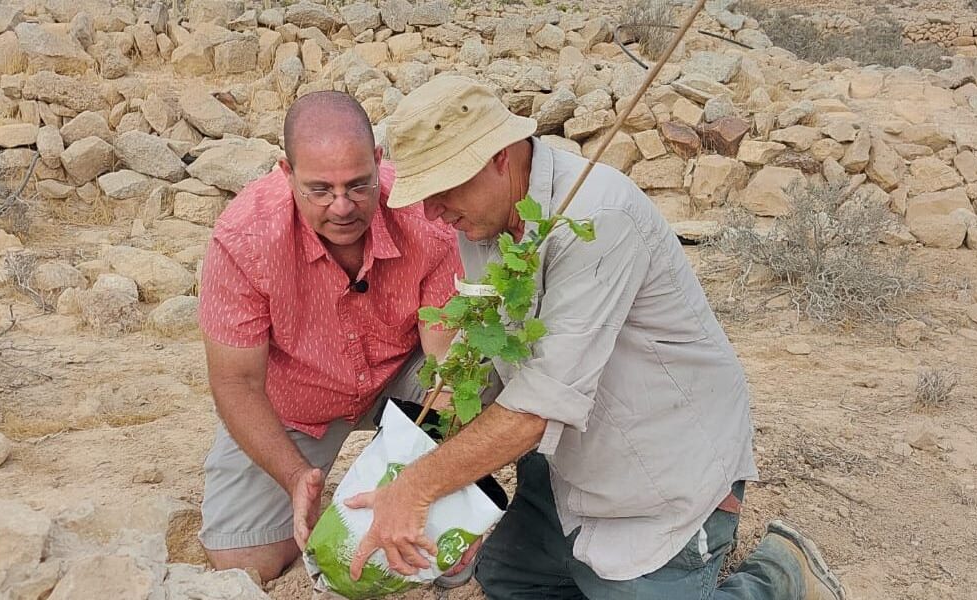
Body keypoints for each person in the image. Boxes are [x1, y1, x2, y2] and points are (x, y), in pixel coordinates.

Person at [341, 75, 848, 600]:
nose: (431, 212)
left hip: (665, 471)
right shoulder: (485, 222)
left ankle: (778, 576)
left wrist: (419, 487)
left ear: (499, 157)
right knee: (509, 579)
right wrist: (455, 493)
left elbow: (538, 407)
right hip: (574, 462)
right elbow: (494, 360)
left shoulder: (596, 217)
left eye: (443, 189)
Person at [195, 91, 464, 583]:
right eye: (319, 190)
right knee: (243, 563)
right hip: (295, 400)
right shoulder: (243, 239)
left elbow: (446, 372)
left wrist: (422, 483)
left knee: (483, 385)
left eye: (358, 185)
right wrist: (296, 477)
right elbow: (235, 384)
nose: (342, 207)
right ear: (286, 171)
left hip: (402, 378)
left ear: (378, 162)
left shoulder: (422, 217)